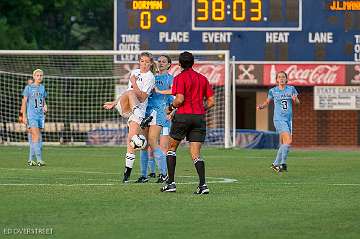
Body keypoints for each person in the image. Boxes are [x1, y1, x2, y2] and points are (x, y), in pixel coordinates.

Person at [161, 51, 215, 194]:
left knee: (171, 149)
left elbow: (179, 99)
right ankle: (203, 185)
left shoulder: (179, 78)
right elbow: (211, 102)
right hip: (199, 118)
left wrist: (170, 108)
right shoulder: (202, 78)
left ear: (179, 64)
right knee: (196, 153)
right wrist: (200, 108)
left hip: (183, 116)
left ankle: (171, 183)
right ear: (193, 63)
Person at [103, 52, 156, 183]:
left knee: (131, 142)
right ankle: (138, 115)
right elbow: (127, 92)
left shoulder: (150, 77)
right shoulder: (134, 72)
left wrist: (134, 83)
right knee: (130, 91)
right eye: (142, 61)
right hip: (129, 109)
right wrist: (114, 103)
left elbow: (143, 97)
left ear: (151, 63)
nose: (144, 64)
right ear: (139, 62)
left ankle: (127, 173)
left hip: (138, 112)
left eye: (147, 62)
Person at [137, 55, 173, 183]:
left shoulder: (170, 78)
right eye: (159, 61)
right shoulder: (151, 77)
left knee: (153, 141)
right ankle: (143, 175)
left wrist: (171, 112)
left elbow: (174, 94)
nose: (161, 63)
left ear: (169, 65)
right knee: (144, 144)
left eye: (164, 62)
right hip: (146, 111)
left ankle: (164, 174)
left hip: (159, 112)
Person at [256, 71, 300, 172]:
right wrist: (261, 106)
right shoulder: (273, 91)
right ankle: (283, 164)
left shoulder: (291, 89)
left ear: (286, 79)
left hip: (289, 119)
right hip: (279, 119)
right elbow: (267, 102)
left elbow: (298, 102)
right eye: (279, 77)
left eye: (283, 77)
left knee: (286, 143)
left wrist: (295, 99)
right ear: (276, 80)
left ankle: (275, 164)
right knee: (288, 140)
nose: (281, 79)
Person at [20, 69, 48, 166]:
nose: (39, 77)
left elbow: (43, 100)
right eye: (37, 75)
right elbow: (24, 102)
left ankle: (30, 160)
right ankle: (39, 160)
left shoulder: (42, 88)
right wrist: (24, 116)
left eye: (41, 75)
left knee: (35, 137)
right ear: (34, 76)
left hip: (40, 116)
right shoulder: (28, 88)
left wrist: (45, 106)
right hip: (31, 116)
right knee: (36, 136)